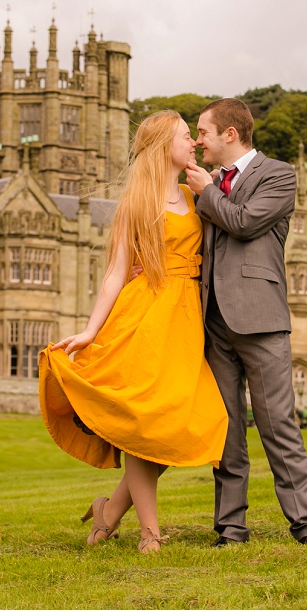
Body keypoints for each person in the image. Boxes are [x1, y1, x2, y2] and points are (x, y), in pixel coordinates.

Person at [39, 111, 229, 554]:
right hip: (144, 317)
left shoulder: (194, 192)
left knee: (182, 426)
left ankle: (107, 512)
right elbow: (115, 274)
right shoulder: (136, 204)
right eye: (187, 137)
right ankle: (150, 532)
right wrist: (90, 330)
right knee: (146, 425)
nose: (194, 144)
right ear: (165, 145)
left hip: (185, 320)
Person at [184, 97, 307, 547]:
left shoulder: (279, 175)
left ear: (230, 134)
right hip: (213, 320)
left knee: (277, 423)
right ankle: (230, 528)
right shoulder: (203, 182)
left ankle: (306, 525)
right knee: (226, 429)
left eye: (202, 132)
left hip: (261, 318)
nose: (197, 140)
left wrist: (207, 192)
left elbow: (243, 223)